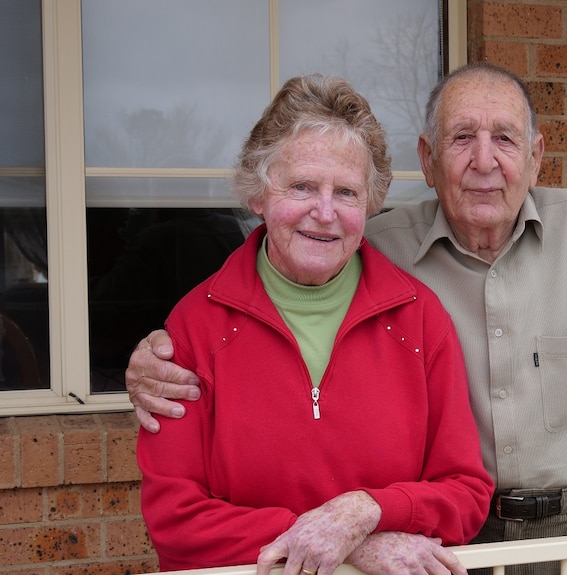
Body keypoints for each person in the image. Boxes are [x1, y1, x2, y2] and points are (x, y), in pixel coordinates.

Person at [127, 63, 567, 574]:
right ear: (428, 161)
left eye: (504, 138)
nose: (483, 161)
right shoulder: (372, 246)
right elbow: (273, 281)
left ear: (535, 156)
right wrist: (151, 357)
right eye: (461, 138)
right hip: (441, 544)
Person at [135, 74, 494, 575]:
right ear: (257, 194)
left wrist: (366, 511)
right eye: (301, 186)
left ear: (370, 204)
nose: (324, 213)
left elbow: (465, 493)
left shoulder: (419, 319)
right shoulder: (196, 326)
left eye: (346, 192)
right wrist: (345, 541)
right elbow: (174, 519)